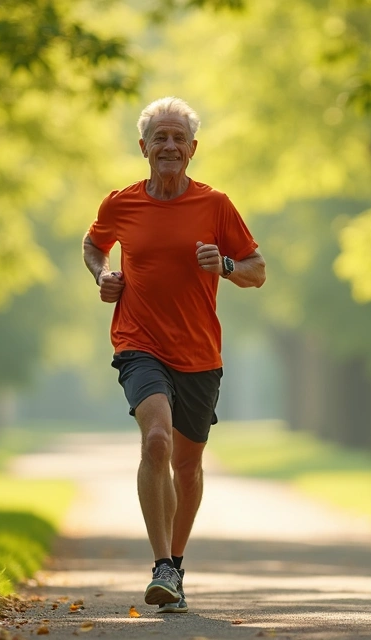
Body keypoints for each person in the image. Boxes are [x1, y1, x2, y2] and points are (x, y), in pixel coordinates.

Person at [82, 96, 266, 613]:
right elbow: (93, 245)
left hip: (200, 353)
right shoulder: (121, 203)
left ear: (192, 149)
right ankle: (161, 564)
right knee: (157, 440)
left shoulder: (215, 205)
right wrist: (103, 275)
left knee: (187, 467)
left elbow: (257, 269)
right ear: (143, 147)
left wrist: (225, 263)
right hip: (139, 343)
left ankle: (176, 568)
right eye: (158, 138)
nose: (168, 146)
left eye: (177, 138)